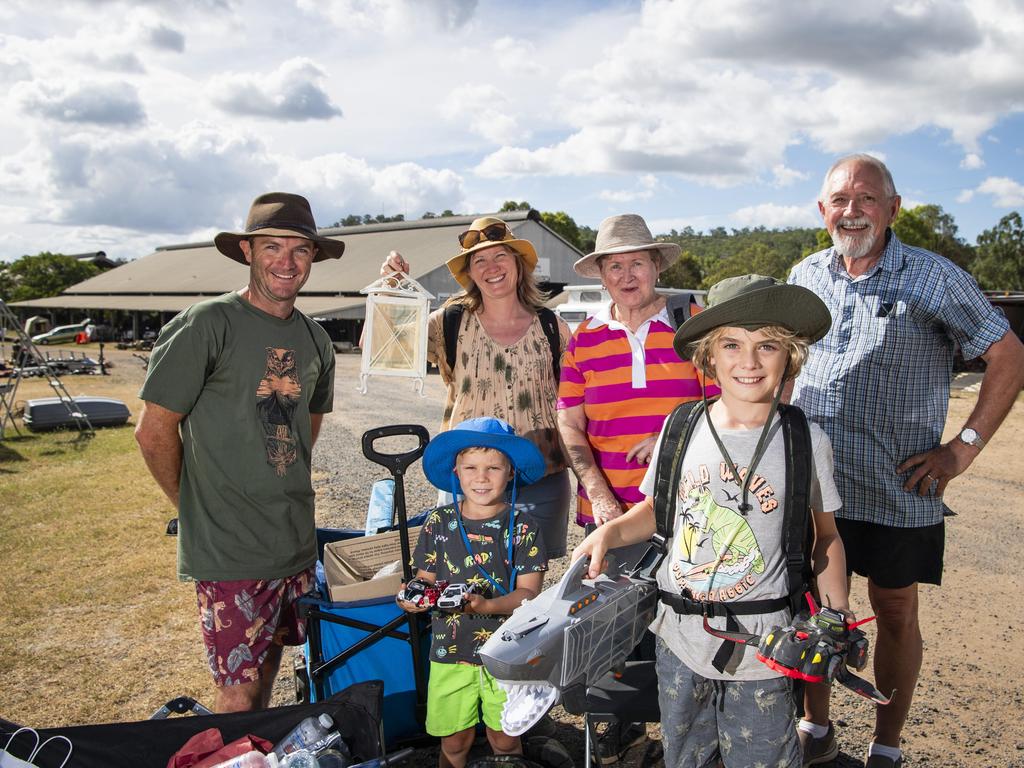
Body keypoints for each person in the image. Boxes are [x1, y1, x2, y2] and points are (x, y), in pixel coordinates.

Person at [789, 154, 1024, 768]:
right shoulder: (805, 274)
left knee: (894, 610)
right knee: (815, 612)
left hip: (898, 486)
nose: (852, 210)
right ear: (822, 211)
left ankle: (886, 744)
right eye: (840, 199)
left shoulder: (934, 277)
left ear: (893, 209)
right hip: (813, 485)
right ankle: (816, 729)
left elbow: (1008, 354)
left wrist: (961, 448)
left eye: (867, 198)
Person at [573, 274, 851, 768]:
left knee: (762, 758)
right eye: (731, 345)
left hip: (764, 643)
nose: (748, 362)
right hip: (679, 637)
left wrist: (835, 614)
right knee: (687, 757)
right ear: (709, 356)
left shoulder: (806, 441)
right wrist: (609, 533)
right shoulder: (681, 426)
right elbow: (658, 512)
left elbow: (825, 537)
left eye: (767, 346)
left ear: (789, 356)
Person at [135, 192, 342, 713]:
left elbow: (305, 428)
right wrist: (193, 505)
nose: (286, 262)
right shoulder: (207, 323)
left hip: (293, 536)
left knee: (271, 655)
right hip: (229, 546)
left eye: (300, 250)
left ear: (313, 257)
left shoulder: (316, 339)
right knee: (237, 687)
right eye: (272, 246)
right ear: (247, 251)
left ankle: (258, 747)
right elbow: (154, 431)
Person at [556, 213, 717, 762]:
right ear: (601, 274)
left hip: (685, 514)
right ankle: (619, 736)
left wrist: (674, 433)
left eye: (637, 264)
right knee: (608, 630)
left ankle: (685, 735)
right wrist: (599, 496)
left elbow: (729, 405)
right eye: (615, 266)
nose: (627, 276)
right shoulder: (584, 337)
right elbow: (569, 423)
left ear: (655, 268)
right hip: (605, 515)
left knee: (680, 628)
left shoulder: (693, 324)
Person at [380, 217, 572, 557]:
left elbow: (576, 400)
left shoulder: (551, 325)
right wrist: (392, 289)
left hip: (541, 478)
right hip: (471, 480)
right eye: (479, 260)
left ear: (518, 263)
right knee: (467, 580)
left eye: (500, 256)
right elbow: (384, 350)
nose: (491, 267)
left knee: (526, 589)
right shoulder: (449, 321)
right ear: (469, 272)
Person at [400, 417, 548, 768]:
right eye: (471, 467)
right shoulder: (437, 523)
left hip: (505, 653)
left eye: (493, 467)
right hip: (449, 652)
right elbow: (425, 581)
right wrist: (413, 597)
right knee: (454, 741)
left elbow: (528, 593)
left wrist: (490, 604)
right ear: (456, 471)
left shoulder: (524, 527)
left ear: (510, 472)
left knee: (506, 738)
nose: (481, 477)